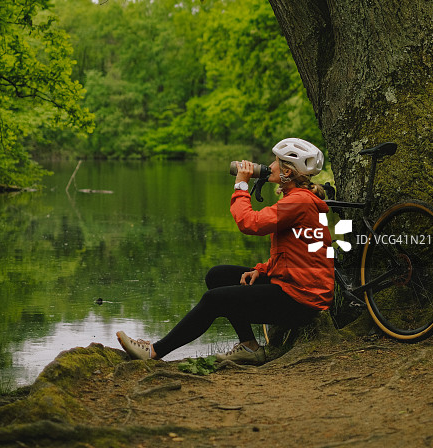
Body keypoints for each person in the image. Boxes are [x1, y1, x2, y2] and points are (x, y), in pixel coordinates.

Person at [116, 137, 334, 364]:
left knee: (214, 300)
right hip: (296, 285)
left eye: (276, 161)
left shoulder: (298, 202)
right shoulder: (299, 199)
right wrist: (262, 269)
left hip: (301, 299)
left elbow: (251, 223)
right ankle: (249, 346)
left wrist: (241, 185)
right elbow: (299, 252)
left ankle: (154, 351)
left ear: (288, 171)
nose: (271, 164)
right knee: (218, 276)